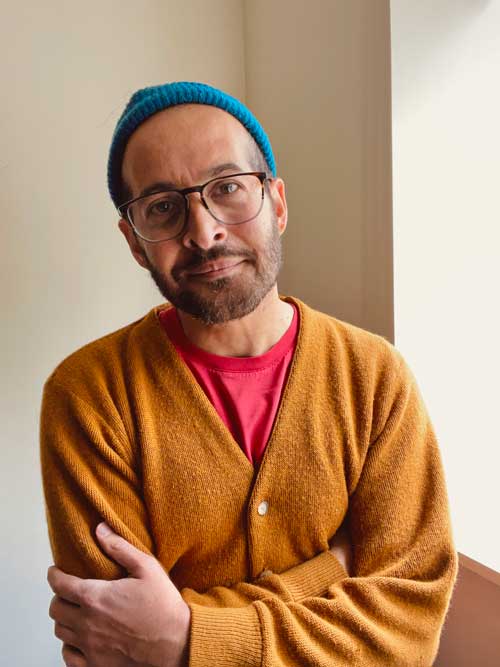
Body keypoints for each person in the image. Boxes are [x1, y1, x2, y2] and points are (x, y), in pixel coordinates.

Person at [40, 81, 457, 667]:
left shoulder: (374, 378)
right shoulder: (89, 395)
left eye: (228, 188)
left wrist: (187, 640)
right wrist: (326, 573)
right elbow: (116, 648)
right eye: (162, 207)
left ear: (278, 203)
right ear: (135, 243)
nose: (204, 231)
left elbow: (408, 628)